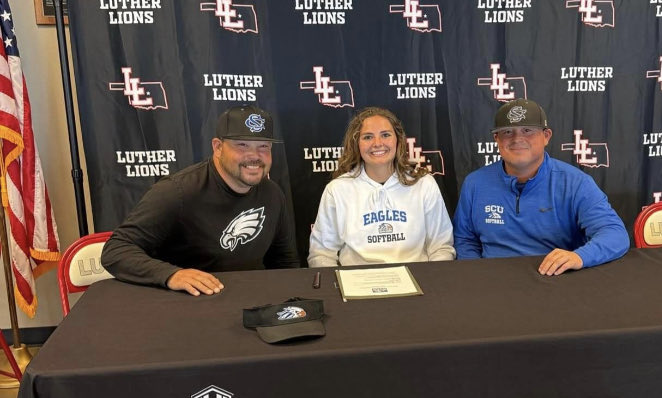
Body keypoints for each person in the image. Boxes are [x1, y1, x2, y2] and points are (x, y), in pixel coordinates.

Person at [101, 105, 299, 295]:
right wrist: (171, 274)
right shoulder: (177, 191)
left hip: (249, 303)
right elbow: (116, 250)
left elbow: (284, 261)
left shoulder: (272, 194)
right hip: (189, 305)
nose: (254, 156)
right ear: (218, 147)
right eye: (242, 145)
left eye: (263, 146)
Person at [453, 98, 629, 274]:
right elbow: (465, 239)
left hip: (553, 280)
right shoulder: (475, 183)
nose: (517, 139)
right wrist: (474, 274)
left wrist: (579, 257)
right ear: (496, 139)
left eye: (527, 130)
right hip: (492, 281)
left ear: (546, 136)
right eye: (507, 132)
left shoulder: (575, 183)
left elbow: (615, 234)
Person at [308, 107, 455, 266]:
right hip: (357, 285)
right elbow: (321, 253)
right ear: (356, 143)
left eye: (385, 135)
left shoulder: (424, 184)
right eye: (368, 137)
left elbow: (441, 247)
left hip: (417, 283)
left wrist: (431, 284)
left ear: (398, 140)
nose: (377, 143)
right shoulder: (337, 190)